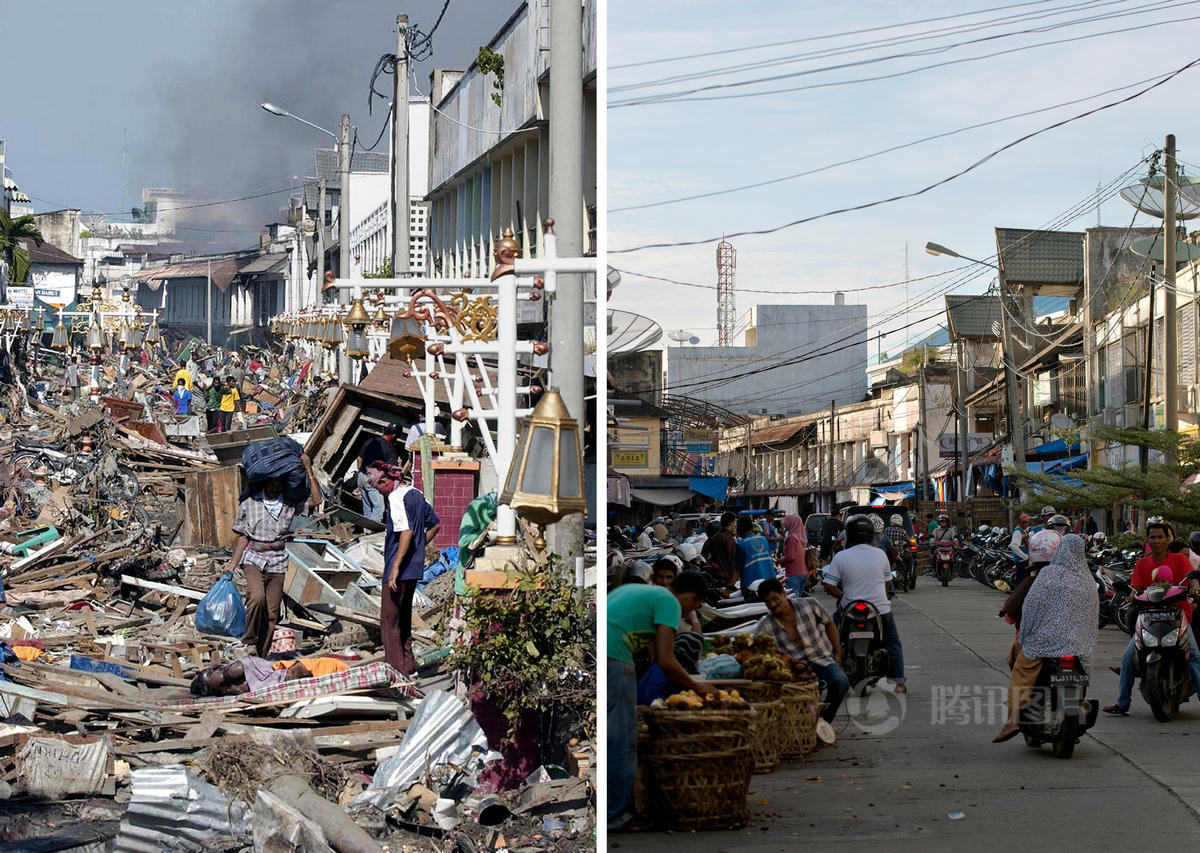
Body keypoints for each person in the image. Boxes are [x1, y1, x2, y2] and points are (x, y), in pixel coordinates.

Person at [608, 572, 709, 831]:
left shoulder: (641, 592)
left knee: (615, 730)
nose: (688, 614)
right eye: (694, 607)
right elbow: (666, 659)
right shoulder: (670, 602)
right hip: (615, 657)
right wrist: (698, 686)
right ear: (691, 597)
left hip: (606, 654)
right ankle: (619, 815)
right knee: (623, 740)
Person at [993, 534, 1098, 742]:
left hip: (1044, 644)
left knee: (1021, 671)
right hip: (1078, 646)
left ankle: (1012, 720)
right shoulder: (1087, 580)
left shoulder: (1048, 575)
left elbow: (1031, 608)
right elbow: (1093, 617)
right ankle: (1074, 713)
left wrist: (1025, 637)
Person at [225, 455, 323, 658]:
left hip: (278, 561)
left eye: (279, 482)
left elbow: (317, 500)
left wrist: (308, 468)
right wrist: (233, 563)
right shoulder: (250, 503)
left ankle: (260, 656)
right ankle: (250, 640)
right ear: (265, 481)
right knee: (257, 598)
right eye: (272, 481)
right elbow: (243, 536)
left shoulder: (289, 504)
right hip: (254, 557)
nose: (275, 485)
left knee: (271, 614)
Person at [1104, 521, 1199, 715]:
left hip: (1177, 615)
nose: (1156, 541)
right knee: (1128, 658)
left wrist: (1196, 587)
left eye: (1160, 537)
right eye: (1152, 537)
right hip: (1148, 618)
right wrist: (1131, 595)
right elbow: (1136, 587)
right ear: (1148, 540)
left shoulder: (1180, 560)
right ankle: (1122, 702)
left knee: (1196, 657)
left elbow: (1192, 578)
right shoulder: (1142, 563)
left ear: (1167, 539)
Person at [822, 514, 906, 692]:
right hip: (880, 609)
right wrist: (881, 599)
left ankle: (829, 677)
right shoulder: (881, 554)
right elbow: (887, 582)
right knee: (892, 642)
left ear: (849, 535)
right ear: (871, 534)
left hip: (849, 606)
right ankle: (899, 682)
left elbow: (828, 585)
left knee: (829, 637)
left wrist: (844, 597)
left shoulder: (841, 556)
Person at [754, 577, 849, 722]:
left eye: (775, 598)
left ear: (783, 593)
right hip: (795, 670)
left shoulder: (809, 604)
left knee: (841, 681)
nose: (772, 604)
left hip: (822, 659)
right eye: (768, 602)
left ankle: (824, 722)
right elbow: (758, 652)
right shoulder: (765, 625)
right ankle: (807, 724)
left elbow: (829, 623)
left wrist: (837, 652)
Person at [382, 468, 441, 676]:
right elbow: (435, 525)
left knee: (390, 621)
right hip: (414, 567)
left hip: (398, 566)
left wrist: (395, 566)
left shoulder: (396, 497)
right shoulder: (416, 494)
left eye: (381, 484)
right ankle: (408, 663)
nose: (381, 489)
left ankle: (396, 670)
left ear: (388, 481)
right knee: (404, 617)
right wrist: (419, 546)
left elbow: (406, 531)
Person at [190, 655, 350, 696]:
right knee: (309, 667)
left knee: (317, 666)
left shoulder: (232, 680)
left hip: (275, 677)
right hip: (279, 679)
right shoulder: (230, 673)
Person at [356, 423, 402, 523]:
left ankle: (366, 533)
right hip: (374, 481)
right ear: (394, 436)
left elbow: (359, 459)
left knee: (367, 506)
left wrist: (362, 474)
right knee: (379, 509)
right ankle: (371, 535)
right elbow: (393, 471)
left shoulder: (371, 441)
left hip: (362, 476)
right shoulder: (390, 450)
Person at [732, 517, 775, 599]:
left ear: (739, 530)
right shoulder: (764, 540)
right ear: (752, 527)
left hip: (752, 589)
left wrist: (729, 588)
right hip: (770, 584)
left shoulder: (741, 545)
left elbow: (737, 570)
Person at [701, 511, 738, 591]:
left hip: (714, 576)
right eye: (734, 522)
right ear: (731, 523)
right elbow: (732, 560)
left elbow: (706, 555)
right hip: (726, 577)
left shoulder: (715, 537)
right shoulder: (729, 539)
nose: (734, 525)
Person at [779, 514, 810, 597]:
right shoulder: (801, 536)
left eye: (786, 522)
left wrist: (779, 561)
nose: (785, 525)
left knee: (793, 600)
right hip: (804, 572)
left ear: (791, 523)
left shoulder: (792, 537)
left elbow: (790, 557)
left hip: (794, 573)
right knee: (798, 598)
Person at [1010, 513, 1031, 584]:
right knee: (1021, 582)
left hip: (1022, 561)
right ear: (1018, 522)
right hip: (1021, 561)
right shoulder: (1018, 532)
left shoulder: (1022, 530)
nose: (1025, 524)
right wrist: (1025, 557)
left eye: (1026, 522)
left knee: (1022, 581)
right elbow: (1014, 546)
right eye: (1023, 522)